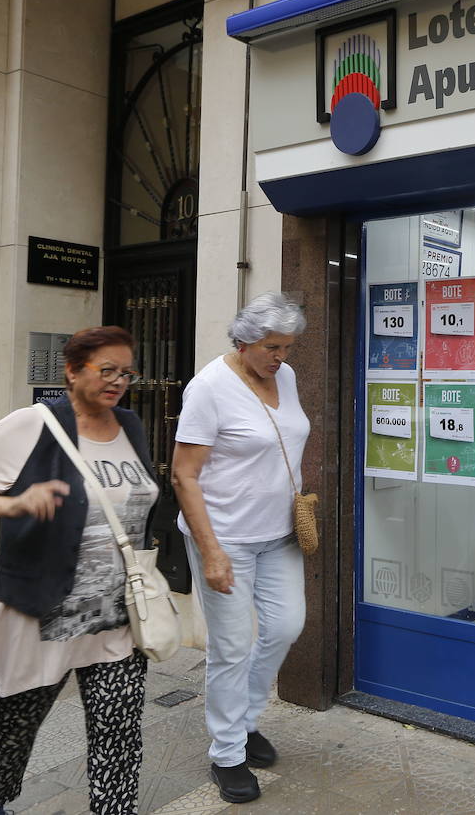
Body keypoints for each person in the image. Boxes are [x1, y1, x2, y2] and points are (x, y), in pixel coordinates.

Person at [0, 327, 159, 815]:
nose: (118, 381)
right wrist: (9, 505)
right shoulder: (31, 424)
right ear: (72, 371)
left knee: (119, 733)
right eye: (107, 370)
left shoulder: (130, 425)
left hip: (117, 618)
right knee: (16, 725)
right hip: (43, 615)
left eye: (127, 373)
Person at [172, 292, 311, 804]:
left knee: (286, 626)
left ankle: (247, 720)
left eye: (287, 347)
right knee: (230, 647)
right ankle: (227, 752)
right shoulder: (209, 387)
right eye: (272, 347)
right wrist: (211, 551)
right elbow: (183, 475)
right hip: (225, 536)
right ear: (243, 341)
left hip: (279, 534)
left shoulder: (285, 377)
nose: (281, 357)